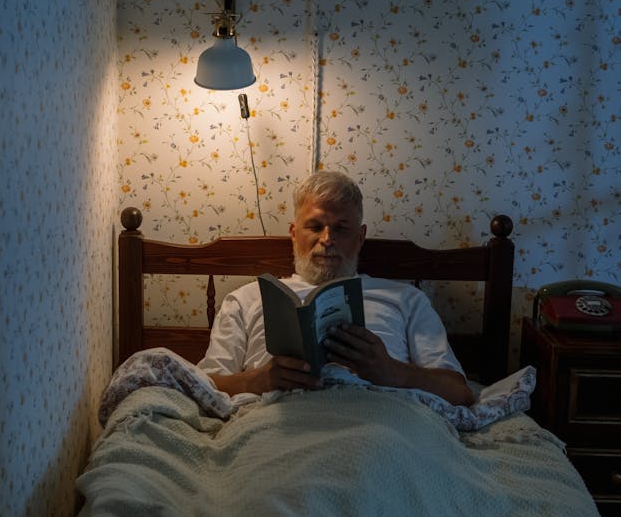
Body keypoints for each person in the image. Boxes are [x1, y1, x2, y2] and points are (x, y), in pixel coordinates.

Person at [198, 170, 475, 406]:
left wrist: (394, 372)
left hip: (381, 420)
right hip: (274, 419)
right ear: (294, 234)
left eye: (341, 229)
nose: (327, 240)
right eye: (315, 227)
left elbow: (459, 392)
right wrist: (258, 380)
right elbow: (202, 385)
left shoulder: (406, 299)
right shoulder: (247, 298)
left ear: (361, 236)